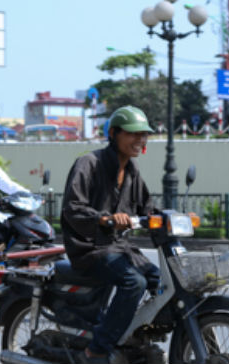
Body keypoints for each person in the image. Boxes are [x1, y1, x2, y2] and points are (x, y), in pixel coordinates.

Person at [61, 105, 160, 364]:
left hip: (119, 248)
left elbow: (146, 207)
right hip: (90, 248)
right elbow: (73, 208)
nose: (140, 140)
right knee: (133, 283)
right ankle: (97, 349)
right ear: (114, 133)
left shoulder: (132, 171)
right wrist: (104, 219)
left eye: (144, 135)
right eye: (133, 134)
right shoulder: (89, 163)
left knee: (161, 282)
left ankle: (134, 338)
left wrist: (170, 217)